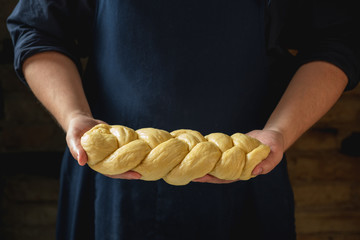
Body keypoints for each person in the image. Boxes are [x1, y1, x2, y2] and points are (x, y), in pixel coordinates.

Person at [7, 0, 359, 239]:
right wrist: (74, 115)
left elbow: (340, 37)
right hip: (110, 181)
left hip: (249, 169)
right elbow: (37, 28)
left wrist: (280, 131)